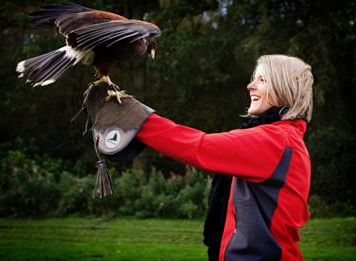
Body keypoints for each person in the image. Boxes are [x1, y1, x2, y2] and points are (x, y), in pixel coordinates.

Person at [85, 54, 314, 261]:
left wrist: (135, 118)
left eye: (262, 80)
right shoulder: (284, 138)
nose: (250, 85)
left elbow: (197, 146)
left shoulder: (275, 140)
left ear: (285, 89)